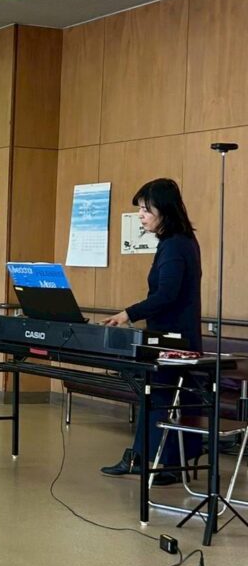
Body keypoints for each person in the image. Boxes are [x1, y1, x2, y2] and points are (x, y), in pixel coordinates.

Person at [101, 178, 202, 485]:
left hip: (175, 340)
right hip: (168, 337)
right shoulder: (176, 242)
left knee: (160, 397)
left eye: (146, 209)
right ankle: (144, 458)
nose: (141, 215)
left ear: (164, 210)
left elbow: (166, 295)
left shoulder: (175, 246)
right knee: (154, 396)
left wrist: (127, 314)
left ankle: (164, 463)